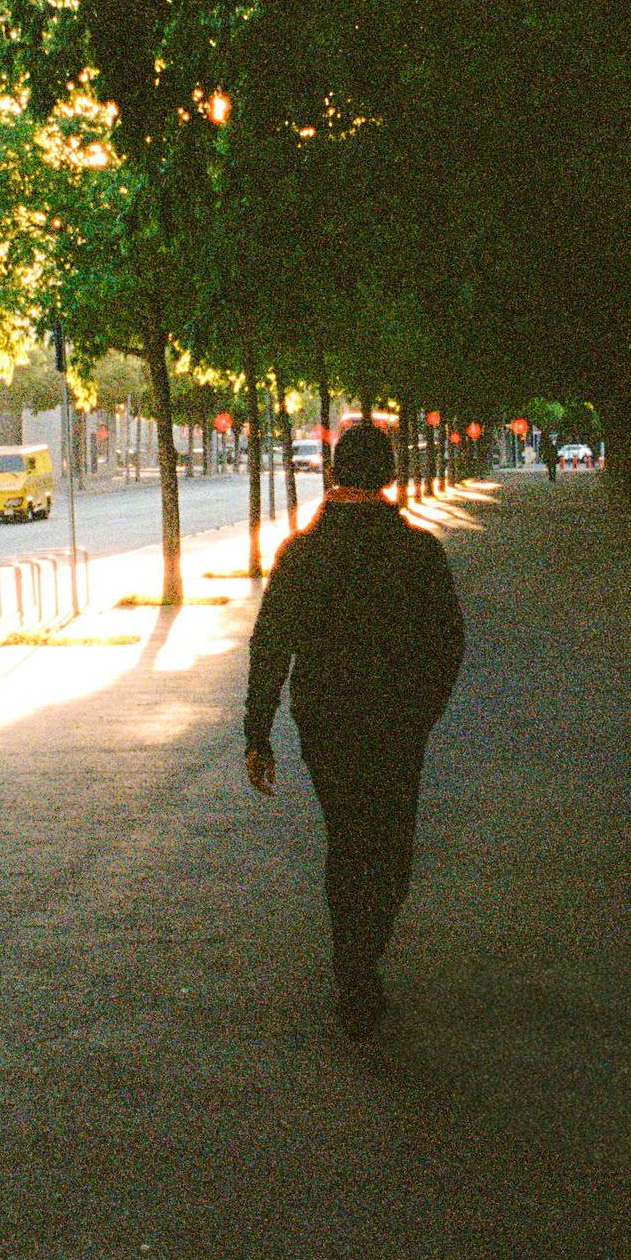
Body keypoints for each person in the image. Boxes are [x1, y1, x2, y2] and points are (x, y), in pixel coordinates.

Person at [243, 420, 465, 1038]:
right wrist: (424, 710)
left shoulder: (303, 553)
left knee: (347, 835)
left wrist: (257, 733)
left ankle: (354, 969)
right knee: (391, 842)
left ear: (337, 474)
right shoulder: (418, 551)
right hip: (397, 721)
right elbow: (448, 643)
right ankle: (364, 958)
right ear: (389, 475)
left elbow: (271, 644)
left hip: (326, 718)